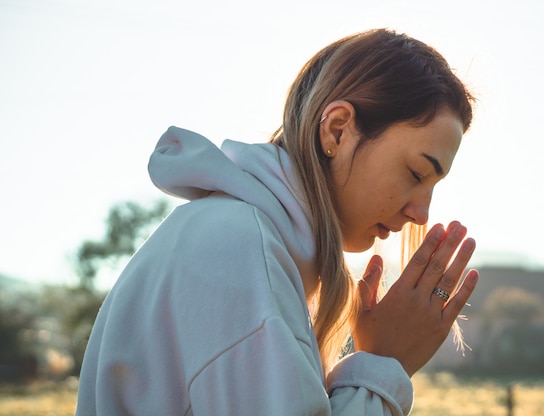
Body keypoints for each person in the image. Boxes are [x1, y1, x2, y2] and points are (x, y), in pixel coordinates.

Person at [76, 28, 479, 415]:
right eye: (415, 173)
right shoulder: (236, 249)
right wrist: (382, 365)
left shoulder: (257, 246)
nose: (421, 214)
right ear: (337, 130)